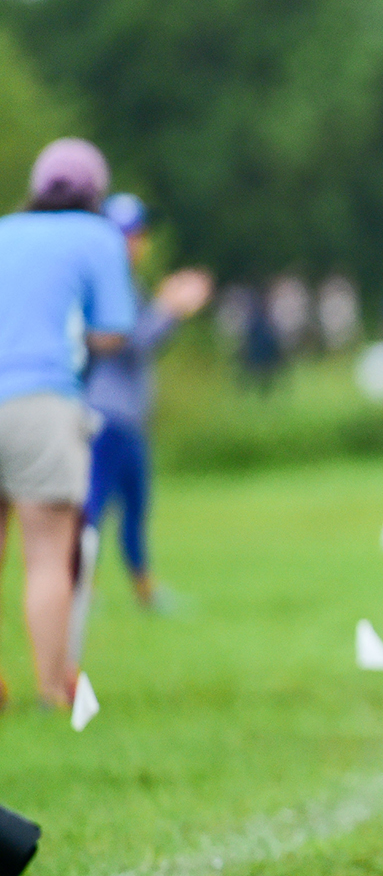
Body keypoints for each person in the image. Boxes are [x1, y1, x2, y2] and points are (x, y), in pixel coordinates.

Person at [0, 139, 137, 709]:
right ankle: (53, 688)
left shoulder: (4, 231)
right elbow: (113, 332)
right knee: (47, 555)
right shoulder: (98, 237)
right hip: (42, 401)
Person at [82, 193, 213, 610]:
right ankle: (83, 586)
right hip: (105, 414)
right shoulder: (105, 284)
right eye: (124, 235)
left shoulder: (128, 284)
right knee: (94, 507)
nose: (133, 243)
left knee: (135, 509)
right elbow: (133, 342)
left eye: (136, 234)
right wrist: (172, 308)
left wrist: (166, 307)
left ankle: (144, 590)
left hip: (129, 418)